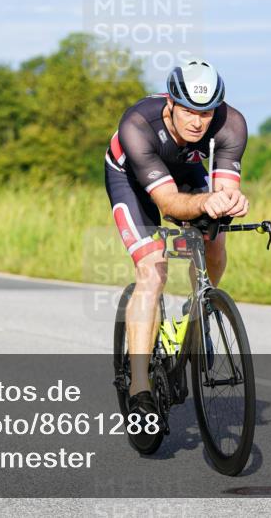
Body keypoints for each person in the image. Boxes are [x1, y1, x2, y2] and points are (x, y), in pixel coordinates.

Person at [104, 60, 249, 425]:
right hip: (133, 180)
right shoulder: (138, 124)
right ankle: (139, 389)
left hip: (186, 171)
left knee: (214, 238)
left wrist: (231, 202)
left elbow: (224, 190)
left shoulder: (231, 124)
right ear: (170, 103)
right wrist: (205, 202)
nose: (197, 122)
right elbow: (168, 205)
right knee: (152, 271)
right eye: (188, 111)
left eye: (206, 112)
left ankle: (199, 311)